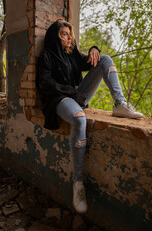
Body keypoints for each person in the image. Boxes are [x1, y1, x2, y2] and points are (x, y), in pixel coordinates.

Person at [36, 19, 143, 214]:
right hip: (60, 99)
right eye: (64, 35)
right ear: (55, 37)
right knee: (79, 118)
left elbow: (88, 62)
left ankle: (119, 104)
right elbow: (45, 84)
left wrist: (94, 49)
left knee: (106, 59)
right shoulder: (46, 57)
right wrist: (72, 92)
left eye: (70, 34)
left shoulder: (72, 53)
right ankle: (78, 184)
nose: (69, 38)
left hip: (78, 94)